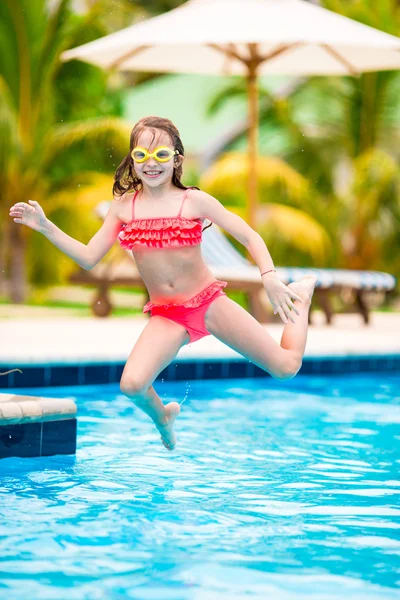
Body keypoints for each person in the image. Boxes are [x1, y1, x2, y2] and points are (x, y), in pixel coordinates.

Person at [9, 115, 317, 451]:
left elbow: (249, 235)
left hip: (209, 303)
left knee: (286, 368)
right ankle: (164, 418)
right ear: (132, 159)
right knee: (132, 384)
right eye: (142, 155)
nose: (151, 164)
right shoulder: (125, 207)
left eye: (161, 155)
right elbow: (88, 257)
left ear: (176, 159)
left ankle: (299, 300)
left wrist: (269, 277)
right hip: (168, 315)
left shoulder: (194, 201)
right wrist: (45, 227)